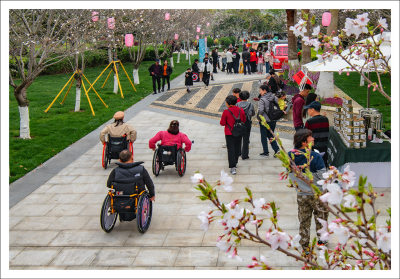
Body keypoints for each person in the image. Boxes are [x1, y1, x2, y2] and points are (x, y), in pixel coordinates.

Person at [288, 129, 328, 253]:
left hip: (301, 194)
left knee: (304, 220)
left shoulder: (289, 155)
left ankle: (305, 246)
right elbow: (323, 176)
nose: (313, 139)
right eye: (310, 137)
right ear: (304, 142)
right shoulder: (315, 156)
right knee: (321, 218)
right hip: (317, 193)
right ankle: (321, 241)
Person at [106, 149, 155, 221]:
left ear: (120, 160)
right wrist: (152, 195)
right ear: (132, 158)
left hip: (119, 196)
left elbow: (109, 184)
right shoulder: (141, 169)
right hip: (136, 196)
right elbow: (149, 183)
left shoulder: (115, 171)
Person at [220, 95, 246, 175]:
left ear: (228, 103)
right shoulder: (241, 110)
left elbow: (222, 123)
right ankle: (235, 162)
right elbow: (244, 120)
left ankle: (233, 167)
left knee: (230, 149)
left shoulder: (226, 112)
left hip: (229, 132)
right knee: (237, 147)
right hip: (239, 131)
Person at [304, 101, 330, 166]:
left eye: (308, 109)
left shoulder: (309, 122)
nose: (307, 111)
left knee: (313, 167)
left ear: (312, 110)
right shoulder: (325, 119)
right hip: (324, 147)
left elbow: (305, 136)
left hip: (313, 148)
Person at [258, 84, 280, 157]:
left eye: (260, 90)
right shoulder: (274, 97)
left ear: (264, 90)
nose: (259, 92)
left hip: (265, 120)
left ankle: (266, 152)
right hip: (273, 119)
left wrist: (258, 117)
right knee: (271, 134)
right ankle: (277, 150)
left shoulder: (262, 99)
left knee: (263, 136)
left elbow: (261, 110)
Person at [236, 91, 255, 160]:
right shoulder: (250, 104)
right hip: (247, 122)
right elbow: (253, 113)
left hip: (239, 122)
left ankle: (238, 153)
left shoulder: (237, 104)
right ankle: (245, 155)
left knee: (238, 138)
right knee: (246, 139)